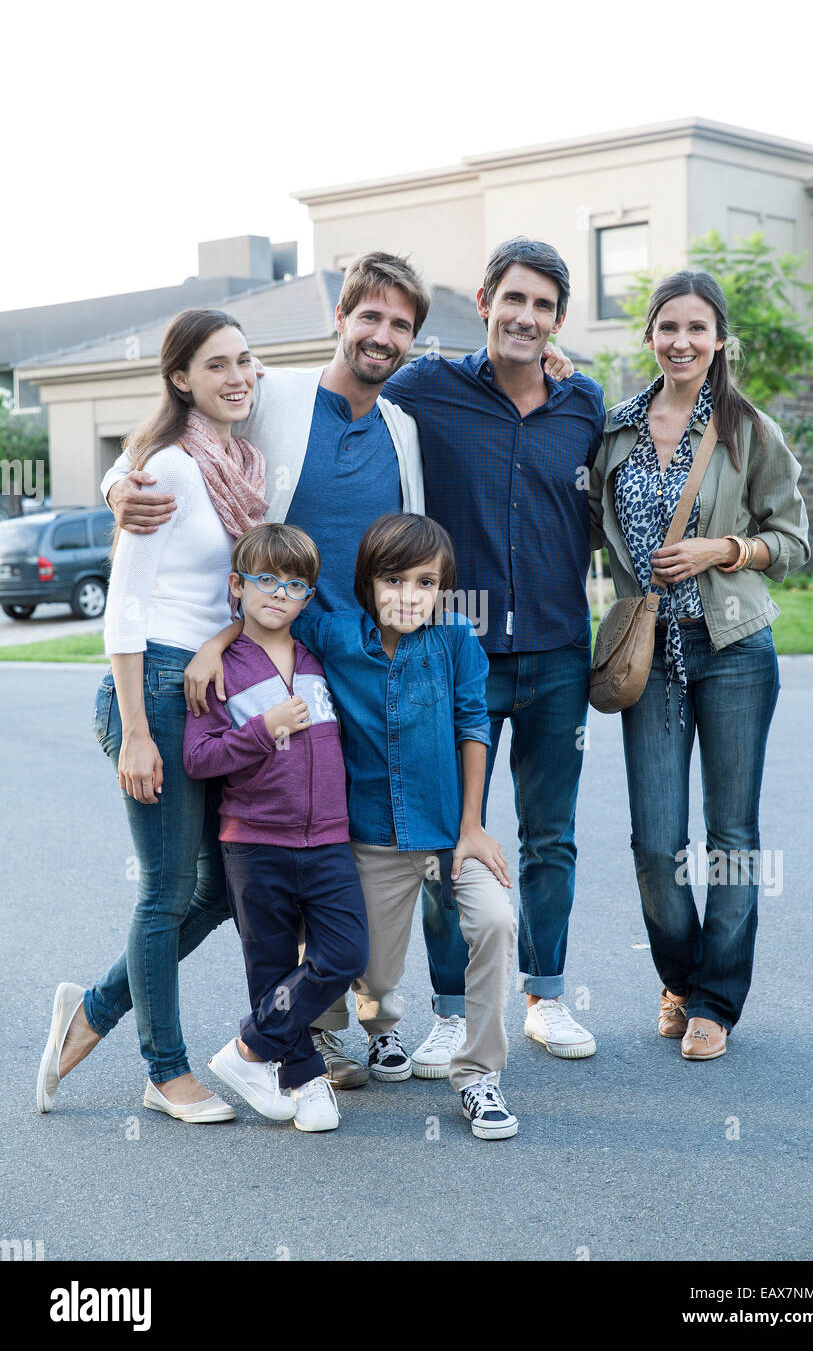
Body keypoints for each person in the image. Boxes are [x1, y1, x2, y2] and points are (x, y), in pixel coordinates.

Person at [101, 250, 575, 1086]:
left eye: (399, 324)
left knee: (357, 838)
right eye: (370, 317)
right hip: (272, 668)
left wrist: (547, 356)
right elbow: (176, 433)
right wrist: (116, 482)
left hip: (363, 668)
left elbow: (490, 380)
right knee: (274, 850)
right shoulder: (273, 394)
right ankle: (293, 1033)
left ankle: (368, 1012)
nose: (382, 335)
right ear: (340, 318)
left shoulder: (403, 419)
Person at [37, 308, 268, 1121]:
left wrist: (228, 636)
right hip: (153, 690)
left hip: (207, 685)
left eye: (244, 360)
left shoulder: (239, 463)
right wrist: (136, 730)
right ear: (180, 379)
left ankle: (95, 1011)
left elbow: (236, 589)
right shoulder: (165, 470)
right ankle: (164, 1069)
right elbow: (124, 609)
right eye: (216, 366)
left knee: (224, 889)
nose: (237, 376)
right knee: (168, 890)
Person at [380, 237, 606, 1062]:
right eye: (513, 299)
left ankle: (545, 997)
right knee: (446, 833)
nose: (525, 316)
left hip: (555, 652)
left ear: (557, 321)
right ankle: (448, 1011)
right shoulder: (425, 386)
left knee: (550, 834)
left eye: (542, 306)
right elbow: (342, 395)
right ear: (482, 303)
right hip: (452, 651)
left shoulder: (584, 403)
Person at [588, 270, 810, 1059]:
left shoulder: (749, 430)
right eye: (666, 327)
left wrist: (726, 548)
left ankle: (714, 1001)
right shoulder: (613, 429)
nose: (680, 341)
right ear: (648, 336)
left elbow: (792, 541)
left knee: (731, 835)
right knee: (655, 842)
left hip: (733, 650)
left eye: (696, 328)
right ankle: (679, 977)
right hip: (647, 658)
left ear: (718, 340)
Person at [291, 512, 519, 1139]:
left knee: (497, 921)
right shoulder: (335, 636)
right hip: (372, 838)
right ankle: (378, 1028)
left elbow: (474, 727)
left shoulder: (454, 642)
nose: (408, 598)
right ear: (367, 582)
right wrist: (213, 646)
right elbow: (268, 618)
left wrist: (472, 826)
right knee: (372, 968)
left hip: (449, 835)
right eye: (392, 581)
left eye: (425, 583)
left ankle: (478, 1077)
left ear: (442, 588)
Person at [183, 523, 369, 1132]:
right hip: (254, 842)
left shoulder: (318, 656)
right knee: (269, 971)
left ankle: (247, 1051)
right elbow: (199, 757)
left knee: (343, 954)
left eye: (294, 585)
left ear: (309, 597)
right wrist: (263, 728)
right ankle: (306, 1083)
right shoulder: (220, 668)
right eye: (265, 580)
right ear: (237, 586)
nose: (279, 594)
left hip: (328, 840)